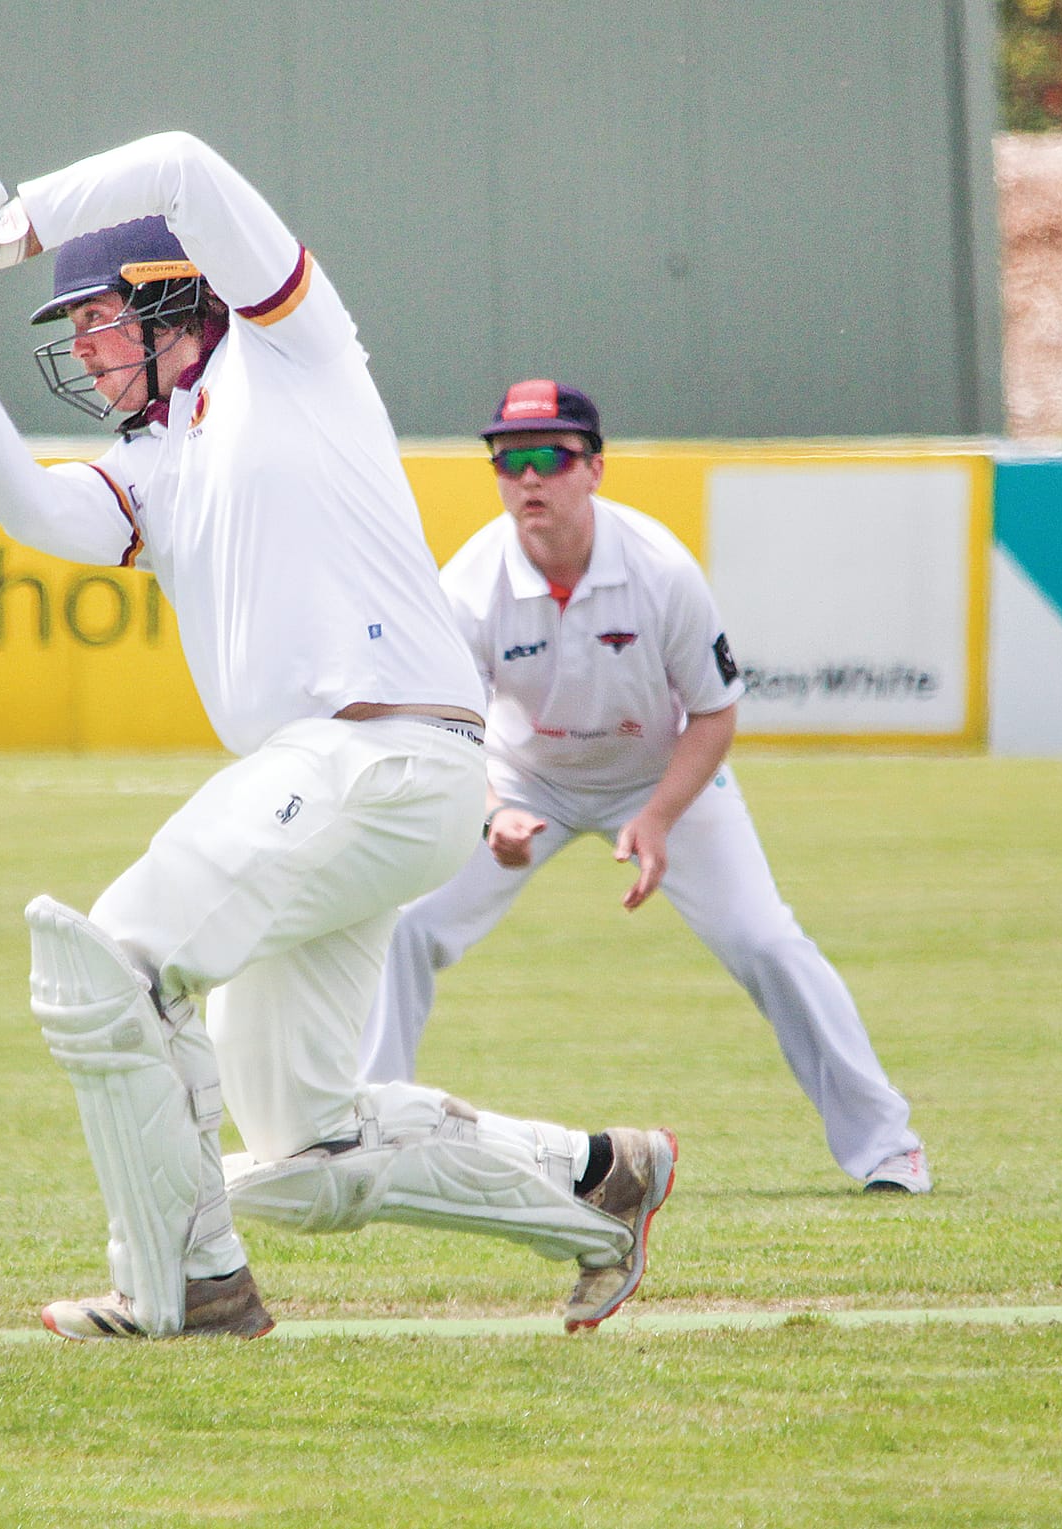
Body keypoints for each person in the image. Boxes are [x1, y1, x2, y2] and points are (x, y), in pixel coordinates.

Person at [0, 134, 677, 1341]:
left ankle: (185, 1288)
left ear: (172, 291)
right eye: (64, 326)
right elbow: (24, 500)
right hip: (350, 790)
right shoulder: (153, 465)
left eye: (94, 318)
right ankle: (603, 1184)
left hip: (370, 757)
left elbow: (179, 162)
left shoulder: (292, 347)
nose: (79, 347)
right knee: (306, 1149)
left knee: (108, 963)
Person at [357, 380, 930, 1195]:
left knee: (767, 942)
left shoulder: (662, 571)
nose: (528, 478)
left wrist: (659, 817)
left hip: (661, 776)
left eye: (549, 458)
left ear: (594, 468)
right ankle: (372, 1146)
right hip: (524, 779)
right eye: (509, 459)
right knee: (405, 923)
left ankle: (889, 1150)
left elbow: (715, 713)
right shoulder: (470, 584)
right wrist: (494, 811)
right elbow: (450, 724)